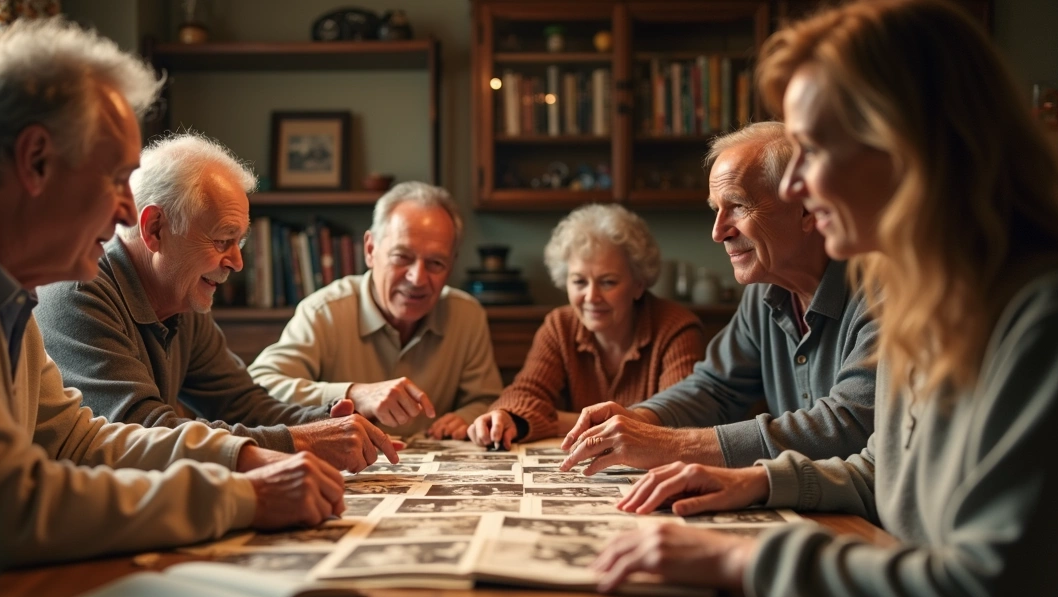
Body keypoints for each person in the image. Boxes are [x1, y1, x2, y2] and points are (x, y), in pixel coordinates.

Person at [0, 19, 343, 597]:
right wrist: (241, 496)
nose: (127, 210)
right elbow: (8, 509)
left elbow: (79, 442)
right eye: (114, 179)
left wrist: (241, 457)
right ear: (36, 160)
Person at [592, 1, 1058, 597]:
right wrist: (756, 482)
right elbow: (883, 472)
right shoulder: (927, 298)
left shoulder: (1041, 315)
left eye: (813, 150)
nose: (795, 189)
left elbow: (984, 596)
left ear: (906, 146)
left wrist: (743, 558)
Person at [36, 133, 400, 472]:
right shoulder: (79, 292)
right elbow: (145, 433)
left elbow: (243, 404)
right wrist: (303, 441)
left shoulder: (180, 296)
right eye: (223, 240)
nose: (237, 263)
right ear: (155, 228)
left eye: (239, 243)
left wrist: (328, 421)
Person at [560, 121, 877, 475]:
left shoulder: (881, 290)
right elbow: (715, 388)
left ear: (805, 208)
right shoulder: (763, 292)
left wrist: (669, 444)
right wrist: (639, 419)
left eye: (738, 205)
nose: (718, 232)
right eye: (716, 209)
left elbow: (848, 426)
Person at [247, 182, 503, 437]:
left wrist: (467, 417)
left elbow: (487, 400)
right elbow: (259, 386)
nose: (417, 278)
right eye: (402, 257)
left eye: (436, 263)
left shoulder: (467, 316)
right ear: (370, 250)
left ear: (452, 264)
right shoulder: (325, 311)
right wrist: (354, 394)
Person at [465, 204, 704, 449]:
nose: (591, 297)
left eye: (608, 282)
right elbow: (526, 392)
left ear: (638, 285)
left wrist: (556, 421)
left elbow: (679, 420)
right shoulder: (560, 326)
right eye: (579, 282)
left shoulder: (675, 328)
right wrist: (506, 416)